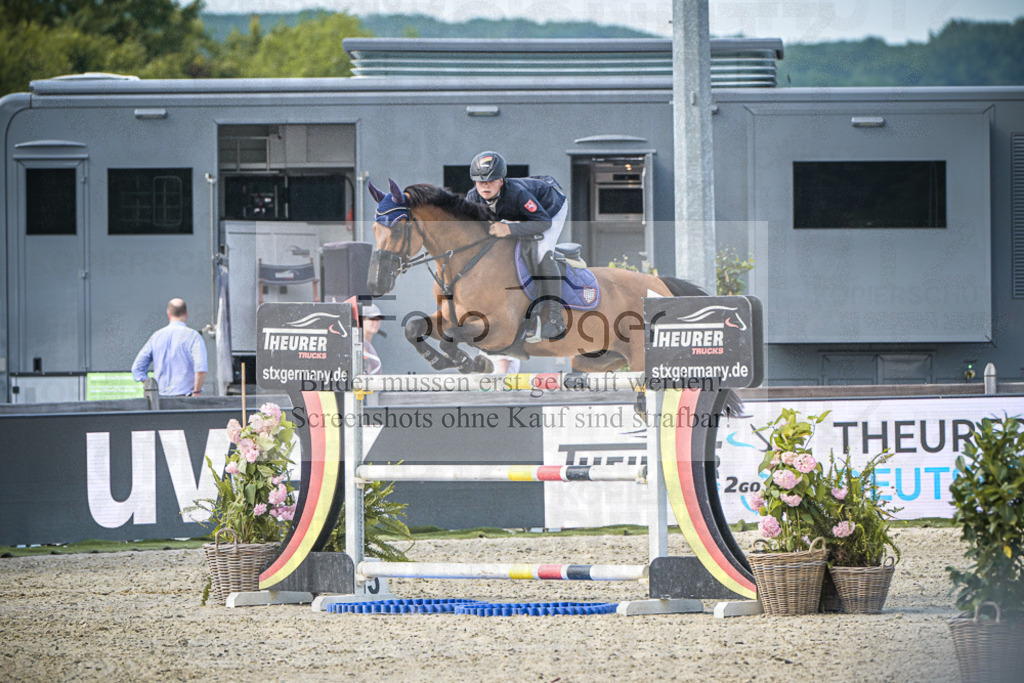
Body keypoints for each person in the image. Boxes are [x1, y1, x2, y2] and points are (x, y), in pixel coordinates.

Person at [465, 151, 568, 341]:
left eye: (491, 181)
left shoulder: (517, 193)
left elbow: (544, 223)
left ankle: (555, 319)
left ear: (501, 180)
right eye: (480, 182)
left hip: (549, 209)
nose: (485, 186)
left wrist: (509, 229)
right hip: (520, 216)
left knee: (542, 252)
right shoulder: (472, 198)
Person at [132, 298, 207, 396]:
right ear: (186, 313)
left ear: (168, 314)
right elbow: (200, 368)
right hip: (186, 399)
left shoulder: (156, 337)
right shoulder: (193, 336)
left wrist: (153, 388)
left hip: (160, 400)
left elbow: (137, 369)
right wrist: (196, 392)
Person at [361, 303, 385, 375]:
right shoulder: (356, 344)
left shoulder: (369, 346)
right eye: (372, 318)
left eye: (378, 319)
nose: (376, 322)